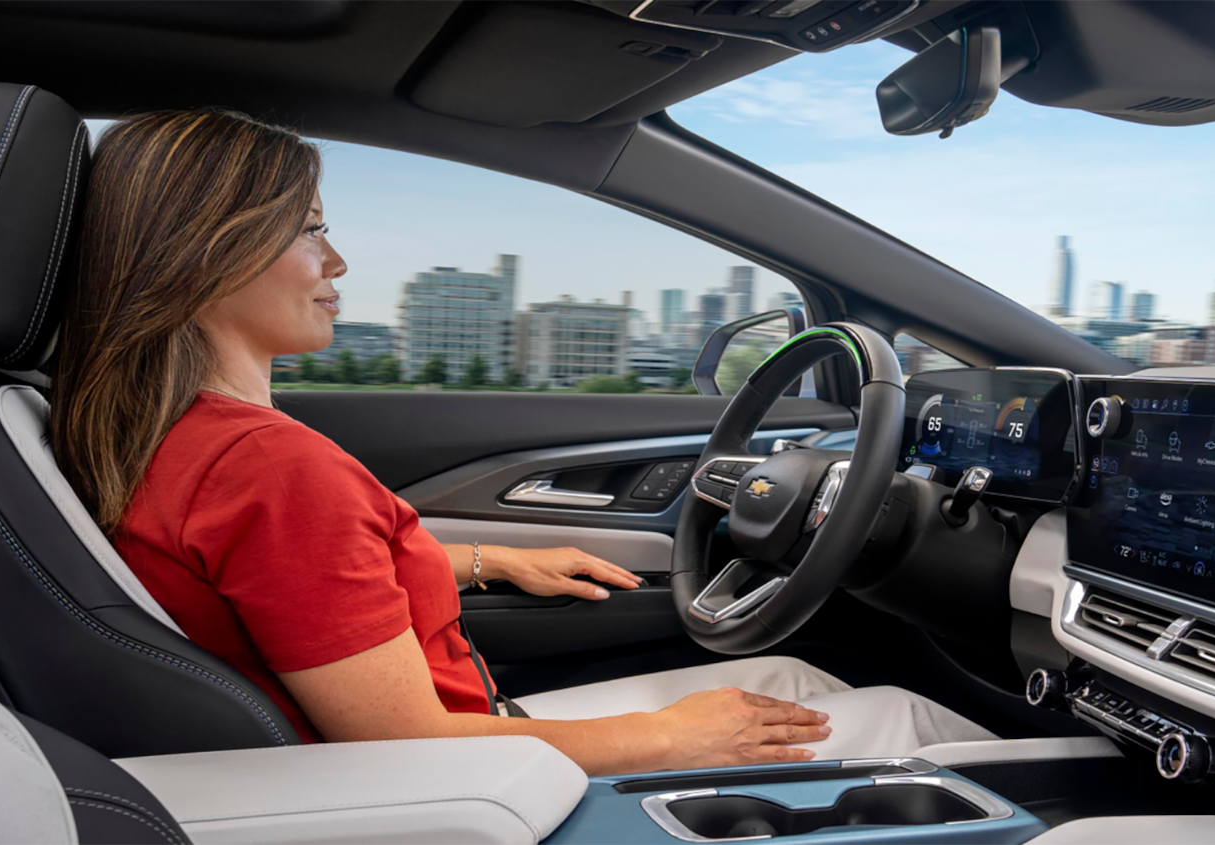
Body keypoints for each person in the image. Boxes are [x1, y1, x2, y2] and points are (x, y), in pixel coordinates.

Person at [50, 110, 995, 776]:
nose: (336, 263)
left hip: (472, 748)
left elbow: (289, 585)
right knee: (906, 716)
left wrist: (487, 556)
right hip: (471, 783)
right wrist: (671, 736)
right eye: (310, 231)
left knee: (795, 678)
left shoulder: (152, 433)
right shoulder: (268, 466)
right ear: (207, 253)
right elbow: (401, 746)